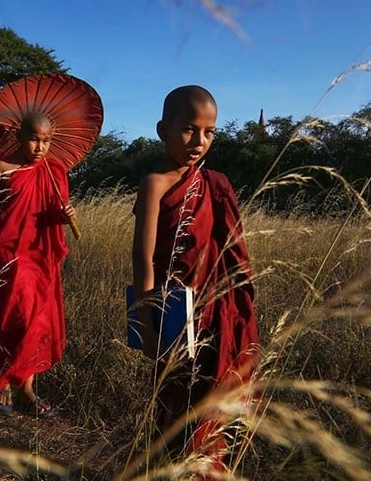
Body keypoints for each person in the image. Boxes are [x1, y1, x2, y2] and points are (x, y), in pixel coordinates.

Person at [131, 85, 260, 471]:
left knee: (218, 401)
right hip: (175, 314)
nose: (199, 141)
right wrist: (148, 323)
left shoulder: (216, 183)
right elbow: (144, 260)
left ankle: (209, 468)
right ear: (162, 130)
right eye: (189, 129)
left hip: (220, 311)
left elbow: (232, 253)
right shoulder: (154, 183)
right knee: (178, 401)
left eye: (209, 132)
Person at [0, 111, 76, 418]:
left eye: (46, 140)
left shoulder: (54, 172)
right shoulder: (2, 168)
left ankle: (27, 388)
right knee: (13, 319)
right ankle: (0, 379)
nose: (40, 147)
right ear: (19, 137)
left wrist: (64, 216)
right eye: (34, 138)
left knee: (38, 320)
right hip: (7, 256)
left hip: (40, 258)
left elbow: (50, 215)